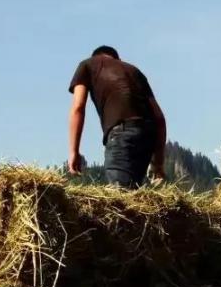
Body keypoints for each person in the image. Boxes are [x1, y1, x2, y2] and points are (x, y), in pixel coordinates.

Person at [67, 46, 167, 188]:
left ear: (96, 56)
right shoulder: (134, 71)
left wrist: (73, 152)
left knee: (120, 198)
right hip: (148, 135)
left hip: (122, 133)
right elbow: (159, 119)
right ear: (117, 59)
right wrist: (158, 164)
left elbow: (78, 108)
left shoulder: (88, 64)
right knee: (132, 193)